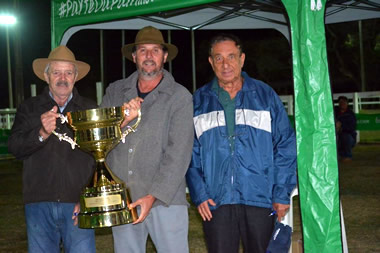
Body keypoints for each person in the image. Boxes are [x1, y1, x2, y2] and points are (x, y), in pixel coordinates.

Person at [186, 34, 297, 253]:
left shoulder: (265, 96)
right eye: (218, 58)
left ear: (242, 59)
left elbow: (286, 145)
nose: (225, 64)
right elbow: (189, 153)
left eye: (231, 57)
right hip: (215, 201)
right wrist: (199, 193)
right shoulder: (198, 101)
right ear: (211, 62)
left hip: (261, 198)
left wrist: (281, 193)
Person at [100, 26, 194, 253]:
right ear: (134, 57)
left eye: (155, 50)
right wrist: (121, 121)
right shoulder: (115, 92)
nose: (149, 56)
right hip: (124, 199)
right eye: (143, 50)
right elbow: (100, 142)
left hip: (165, 199)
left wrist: (152, 196)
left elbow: (179, 153)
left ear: (164, 56)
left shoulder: (180, 97)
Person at [8, 46, 97, 252]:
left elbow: (99, 158)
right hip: (38, 204)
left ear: (75, 77)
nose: (62, 78)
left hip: (78, 204)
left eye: (68, 72)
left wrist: (88, 198)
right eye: (56, 72)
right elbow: (15, 147)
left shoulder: (90, 109)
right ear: (46, 76)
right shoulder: (29, 108)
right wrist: (41, 133)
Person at [334, 96, 357, 161]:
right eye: (340, 102)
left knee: (346, 137)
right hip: (335, 134)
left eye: (344, 102)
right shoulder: (334, 112)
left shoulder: (350, 114)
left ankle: (347, 155)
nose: (342, 103)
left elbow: (352, 127)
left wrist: (341, 126)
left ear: (347, 103)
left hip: (347, 136)